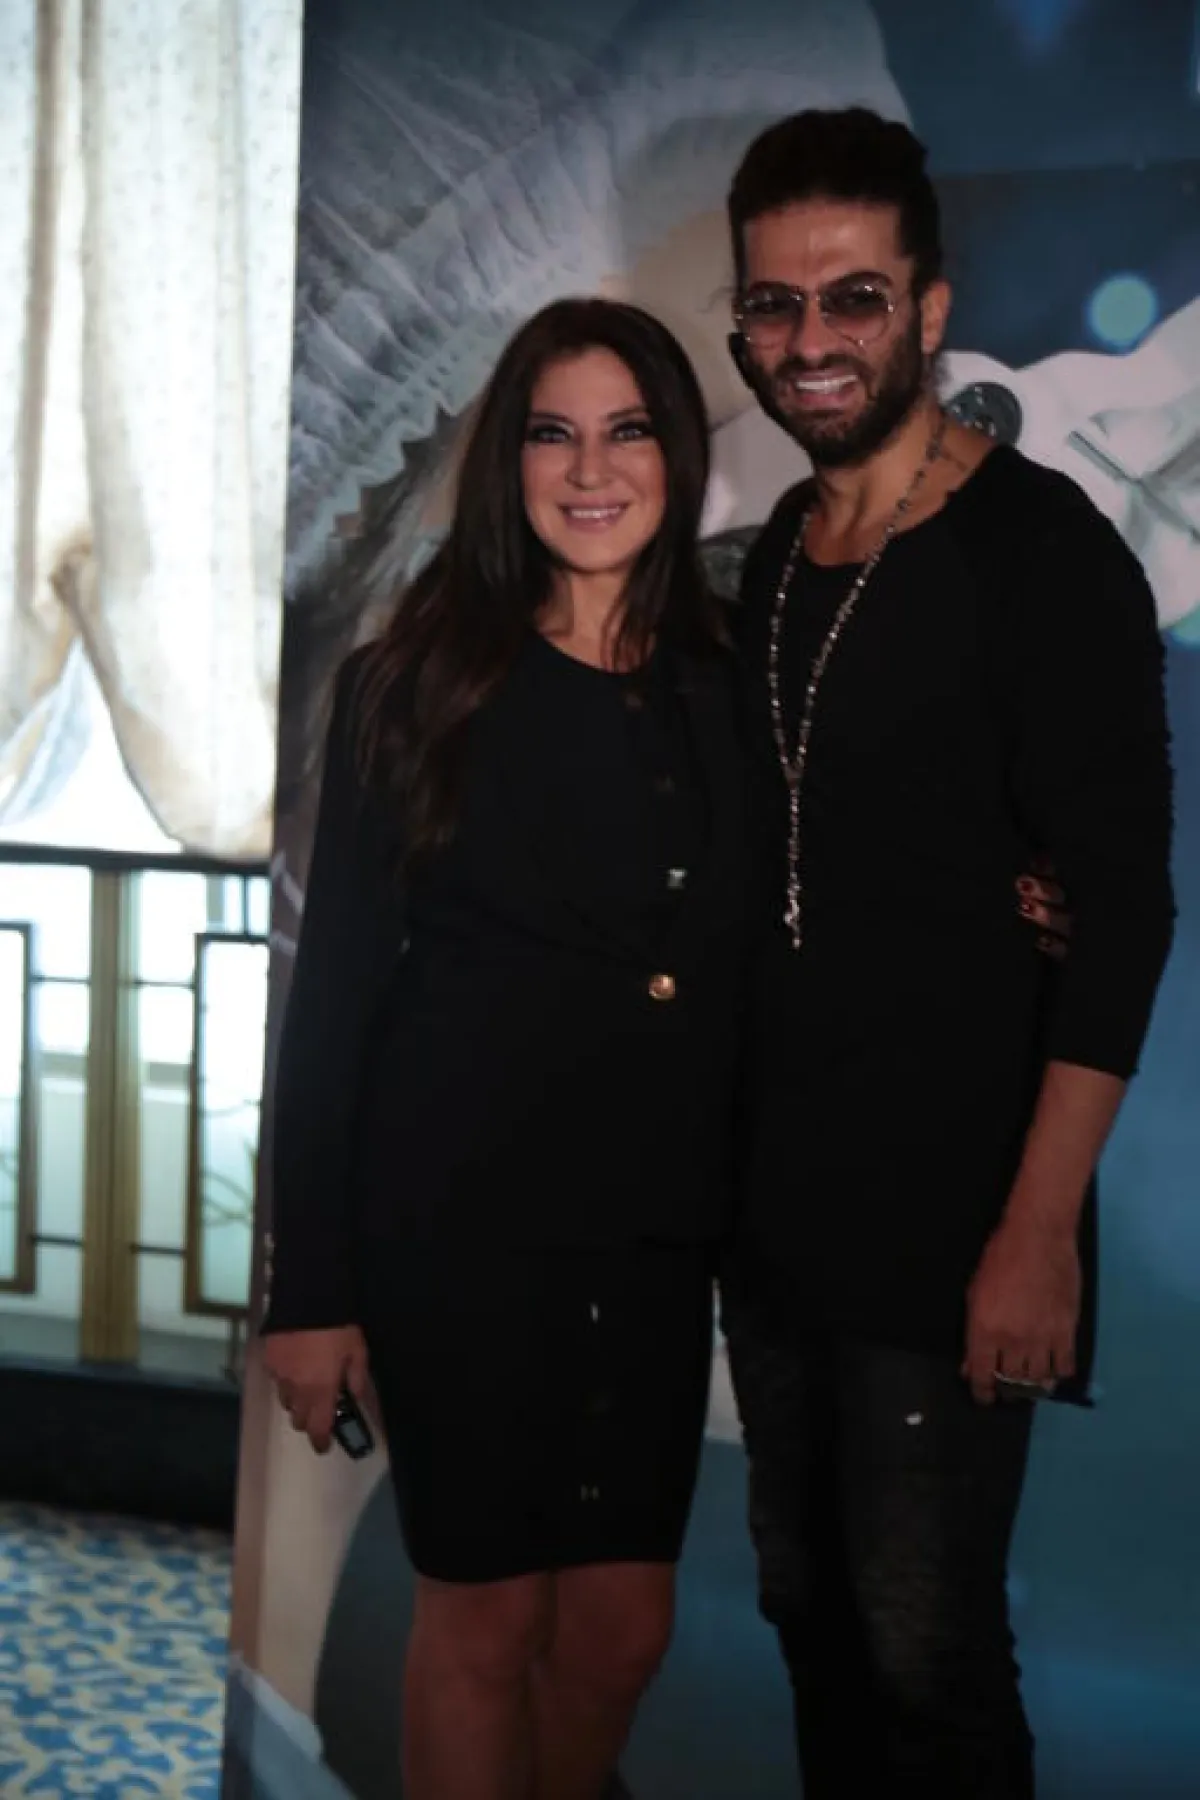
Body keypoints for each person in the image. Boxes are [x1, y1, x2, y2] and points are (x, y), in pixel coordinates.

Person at [719, 109, 1175, 1799]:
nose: (810, 340)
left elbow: (1124, 914)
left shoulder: (1041, 554)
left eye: (853, 296)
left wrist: (1038, 1236)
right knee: (809, 1617)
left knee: (929, 1652)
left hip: (957, 1215)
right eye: (774, 303)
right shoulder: (780, 554)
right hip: (774, 1216)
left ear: (928, 306)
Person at [258, 297, 758, 1800]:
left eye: (627, 431)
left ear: (676, 455)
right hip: (456, 1236)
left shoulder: (734, 690)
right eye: (553, 433)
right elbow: (335, 1002)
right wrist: (312, 1293)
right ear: (509, 462)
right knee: (482, 1624)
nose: (590, 470)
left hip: (656, 1238)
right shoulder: (410, 686)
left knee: (618, 1631)